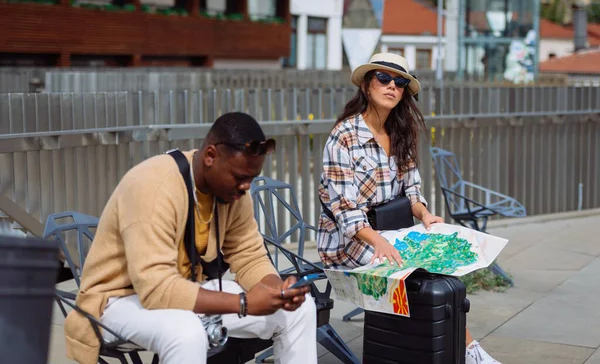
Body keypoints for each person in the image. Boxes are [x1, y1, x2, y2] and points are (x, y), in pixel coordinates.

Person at [64, 112, 318, 364]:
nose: (246, 186)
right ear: (210, 156)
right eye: (240, 177)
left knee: (300, 309)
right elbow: (157, 289)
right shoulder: (153, 187)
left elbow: (249, 255)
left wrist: (278, 290)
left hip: (182, 289)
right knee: (186, 333)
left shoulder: (233, 192)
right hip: (113, 302)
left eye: (251, 178)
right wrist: (243, 303)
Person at [317, 52, 500, 364]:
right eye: (384, 79)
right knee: (419, 272)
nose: (392, 86)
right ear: (366, 85)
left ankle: (447, 347)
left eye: (400, 82)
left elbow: (412, 188)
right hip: (347, 242)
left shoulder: (400, 133)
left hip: (391, 232)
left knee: (442, 258)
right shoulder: (344, 136)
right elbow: (346, 211)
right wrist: (378, 240)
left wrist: (425, 214)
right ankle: (468, 352)